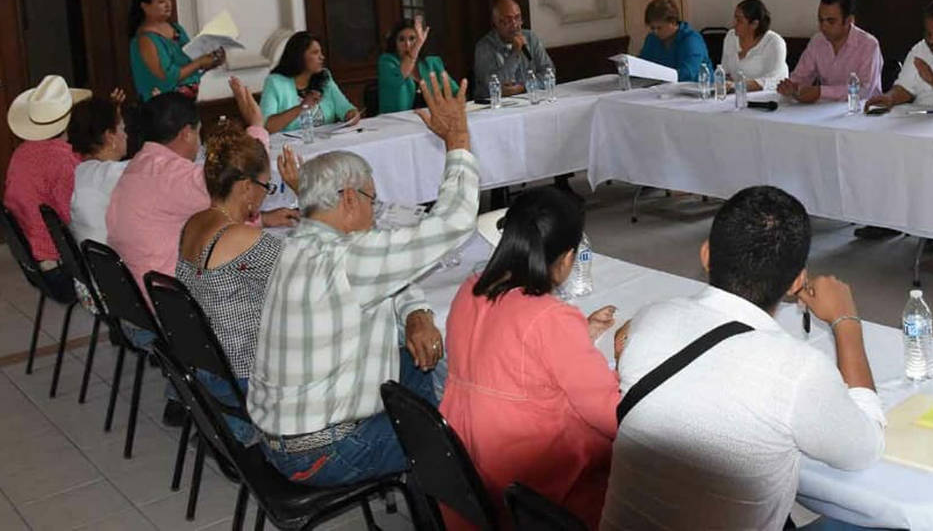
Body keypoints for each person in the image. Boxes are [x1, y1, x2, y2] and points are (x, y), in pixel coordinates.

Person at [601, 186, 885, 531]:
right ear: (797, 281)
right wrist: (846, 321)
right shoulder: (798, 369)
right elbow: (864, 450)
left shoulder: (650, 319)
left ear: (706, 255)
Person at [249, 73, 479, 487]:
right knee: (472, 425)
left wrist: (417, 312)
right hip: (326, 452)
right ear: (350, 199)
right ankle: (454, 497)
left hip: (283, 436)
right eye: (373, 200)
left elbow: (388, 271)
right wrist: (458, 139)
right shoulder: (347, 258)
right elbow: (454, 222)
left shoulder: (298, 244)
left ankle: (430, 492)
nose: (375, 212)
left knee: (422, 366)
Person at [441, 187, 619, 526]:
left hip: (469, 474)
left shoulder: (471, 290)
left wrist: (580, 336)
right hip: (535, 491)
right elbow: (609, 415)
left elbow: (511, 357)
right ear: (567, 258)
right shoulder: (549, 317)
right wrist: (626, 361)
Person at [107, 80, 297, 298]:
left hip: (138, 295)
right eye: (199, 133)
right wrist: (256, 125)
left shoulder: (140, 165)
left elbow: (212, 210)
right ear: (186, 133)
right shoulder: (172, 175)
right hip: (170, 300)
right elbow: (238, 173)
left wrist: (263, 219)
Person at [176, 113, 294, 442]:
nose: (266, 195)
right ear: (245, 188)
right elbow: (308, 276)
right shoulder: (242, 238)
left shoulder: (193, 223)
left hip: (209, 367)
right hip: (244, 375)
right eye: (266, 187)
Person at [4, 75, 92, 300]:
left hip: (33, 264)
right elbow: (78, 217)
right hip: (59, 271)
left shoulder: (21, 153)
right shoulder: (62, 161)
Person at [778, 0, 884, 103]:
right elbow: (801, 77)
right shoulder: (817, 41)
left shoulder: (868, 45)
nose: (823, 26)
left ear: (848, 20)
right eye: (821, 20)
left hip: (863, 108)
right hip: (827, 108)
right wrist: (792, 87)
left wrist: (821, 92)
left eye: (831, 21)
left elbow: (864, 91)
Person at [128, 0, 223, 101]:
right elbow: (168, 77)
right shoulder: (145, 39)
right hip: (163, 107)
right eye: (161, 1)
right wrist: (199, 63)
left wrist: (211, 61)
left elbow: (190, 64)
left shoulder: (177, 29)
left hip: (188, 103)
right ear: (145, 6)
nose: (168, 4)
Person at [259, 32, 359, 133]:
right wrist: (302, 107)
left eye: (321, 52)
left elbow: (346, 108)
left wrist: (352, 114)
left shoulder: (325, 78)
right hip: (290, 142)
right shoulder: (275, 82)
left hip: (326, 139)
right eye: (315, 53)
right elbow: (267, 126)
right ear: (299, 56)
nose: (322, 57)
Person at [68, 92, 130, 249]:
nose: (126, 135)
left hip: (94, 260)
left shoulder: (79, 172)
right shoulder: (113, 174)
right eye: (122, 129)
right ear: (110, 137)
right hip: (121, 260)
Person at [473, 0, 554, 96]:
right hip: (499, 103)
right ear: (496, 23)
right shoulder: (484, 47)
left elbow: (549, 73)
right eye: (508, 20)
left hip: (529, 97)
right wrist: (515, 53)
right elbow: (492, 85)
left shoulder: (530, 38)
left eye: (517, 18)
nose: (515, 24)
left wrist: (524, 87)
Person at [377, 17, 457, 114]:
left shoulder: (432, 62)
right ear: (395, 42)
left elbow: (455, 92)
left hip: (431, 118)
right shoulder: (386, 61)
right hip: (397, 120)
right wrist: (416, 46)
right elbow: (400, 76)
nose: (407, 44)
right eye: (401, 39)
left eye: (412, 39)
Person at [721, 0, 789, 92]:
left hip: (768, 96)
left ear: (754, 24)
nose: (734, 23)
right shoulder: (731, 37)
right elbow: (725, 71)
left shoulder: (774, 42)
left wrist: (737, 85)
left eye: (739, 20)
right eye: (734, 18)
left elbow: (773, 80)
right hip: (736, 95)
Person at [637, 0, 710, 83]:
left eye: (659, 28)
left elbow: (688, 74)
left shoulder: (692, 40)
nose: (655, 32)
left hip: (697, 89)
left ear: (673, 22)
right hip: (664, 89)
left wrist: (658, 75)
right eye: (652, 28)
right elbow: (642, 65)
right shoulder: (652, 39)